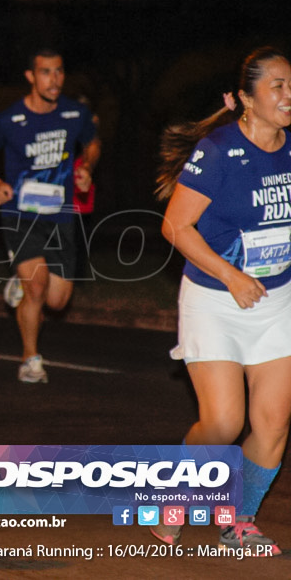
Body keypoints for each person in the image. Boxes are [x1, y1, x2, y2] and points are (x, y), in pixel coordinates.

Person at [152, 47, 291, 555]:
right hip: (214, 301)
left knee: (273, 421)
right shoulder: (217, 151)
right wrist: (230, 274)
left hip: (278, 302)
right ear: (249, 100)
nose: (288, 94)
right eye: (277, 85)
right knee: (224, 422)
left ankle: (238, 519)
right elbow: (175, 225)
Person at [0, 49, 100, 383]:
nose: (54, 80)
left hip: (61, 216)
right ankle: (31, 359)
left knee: (57, 302)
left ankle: (19, 280)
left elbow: (92, 142)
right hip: (21, 214)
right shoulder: (9, 119)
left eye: (59, 72)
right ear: (31, 76)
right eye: (46, 72)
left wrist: (86, 166)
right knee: (37, 288)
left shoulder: (75, 113)